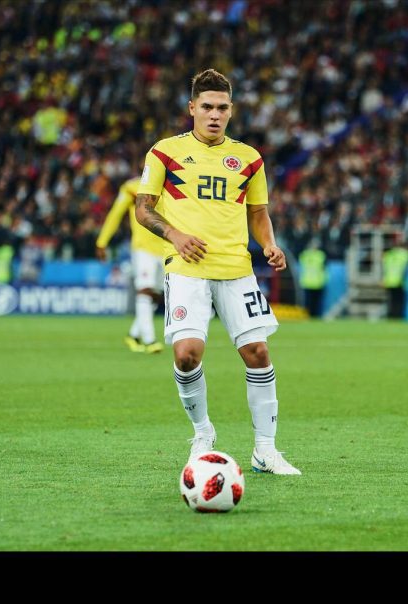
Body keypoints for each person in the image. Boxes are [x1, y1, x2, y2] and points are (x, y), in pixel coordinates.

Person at [134, 69, 300, 474]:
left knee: (258, 353)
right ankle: (203, 433)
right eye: (206, 106)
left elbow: (258, 212)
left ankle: (265, 450)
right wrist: (174, 234)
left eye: (222, 107)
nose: (214, 114)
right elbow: (143, 208)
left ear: (231, 111)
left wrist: (269, 244)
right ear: (192, 108)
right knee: (187, 355)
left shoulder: (248, 158)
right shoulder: (164, 153)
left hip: (237, 269)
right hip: (188, 268)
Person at [96, 173, 164, 354]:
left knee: (157, 295)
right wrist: (102, 241)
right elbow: (115, 214)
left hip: (166, 247)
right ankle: (150, 340)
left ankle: (134, 335)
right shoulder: (132, 187)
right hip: (143, 248)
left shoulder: (173, 185)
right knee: (145, 289)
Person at [382, 239, 408, 319]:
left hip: (389, 281)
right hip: (399, 281)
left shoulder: (388, 254)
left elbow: (385, 268)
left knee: (391, 300)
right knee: (399, 301)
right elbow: (405, 269)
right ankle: (398, 316)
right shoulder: (405, 254)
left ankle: (390, 316)